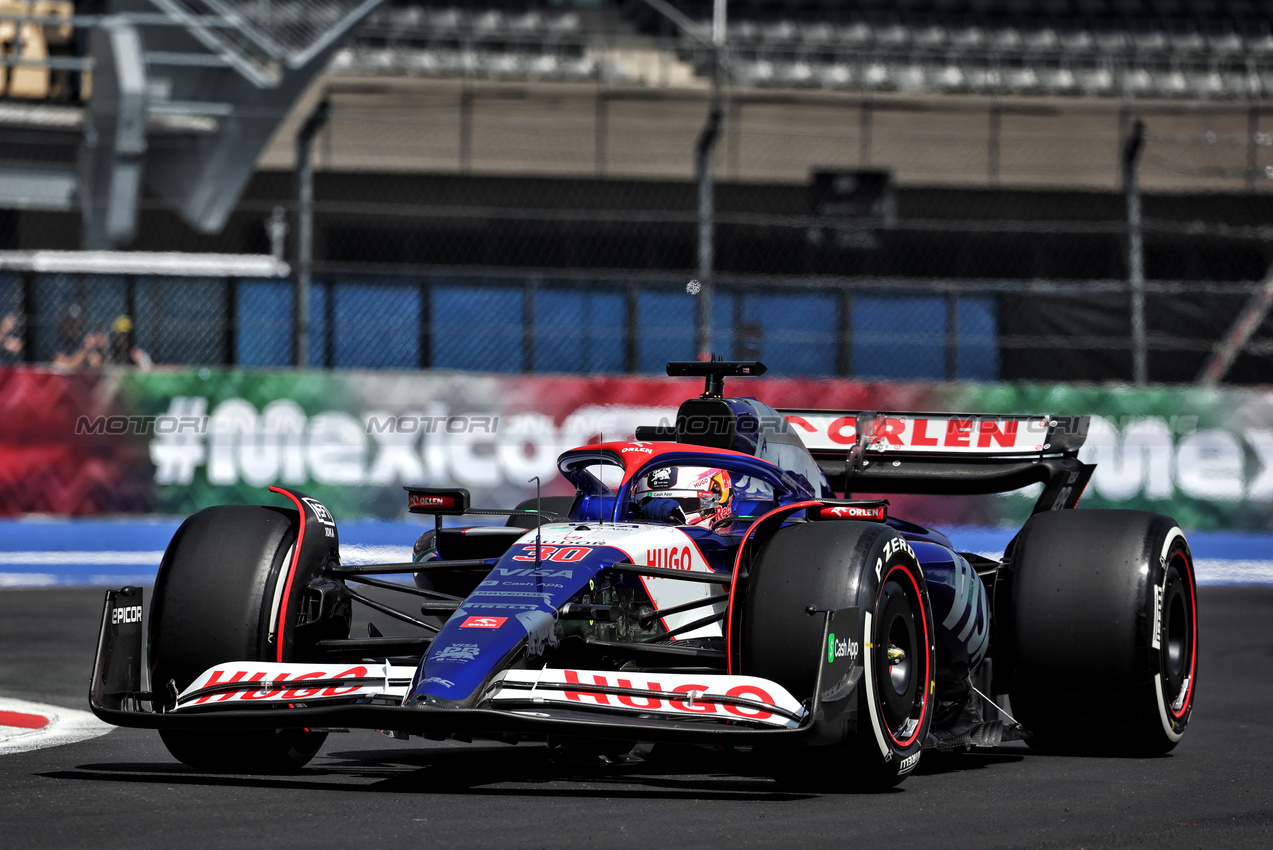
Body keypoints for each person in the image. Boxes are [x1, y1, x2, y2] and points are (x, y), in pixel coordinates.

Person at [52, 304, 107, 370]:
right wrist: (85, 349)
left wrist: (100, 347)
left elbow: (96, 363)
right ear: (63, 323)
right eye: (69, 323)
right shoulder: (58, 343)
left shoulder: (82, 339)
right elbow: (64, 365)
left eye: (76, 323)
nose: (73, 327)